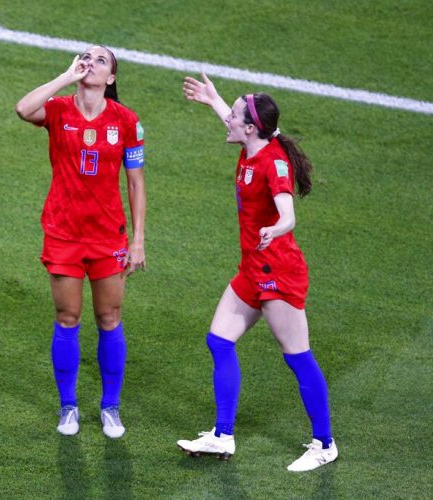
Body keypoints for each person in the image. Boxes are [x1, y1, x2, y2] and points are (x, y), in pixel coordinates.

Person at [176, 74, 337, 472]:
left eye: (232, 115)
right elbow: (234, 126)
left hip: (278, 274)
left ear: (250, 128)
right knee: (219, 340)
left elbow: (288, 215)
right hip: (252, 269)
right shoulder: (252, 146)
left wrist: (274, 229)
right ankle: (222, 436)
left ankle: (325, 443)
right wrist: (213, 100)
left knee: (298, 357)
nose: (226, 119)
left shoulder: (274, 163)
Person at [15, 45, 146, 439]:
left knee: (109, 319)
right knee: (67, 318)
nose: (91, 63)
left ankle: (110, 407)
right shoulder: (57, 110)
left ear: (111, 78)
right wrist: (66, 77)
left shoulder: (126, 121)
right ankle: (69, 406)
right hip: (63, 234)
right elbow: (23, 109)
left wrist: (138, 240)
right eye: (85, 57)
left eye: (100, 60)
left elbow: (136, 182)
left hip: (109, 237)